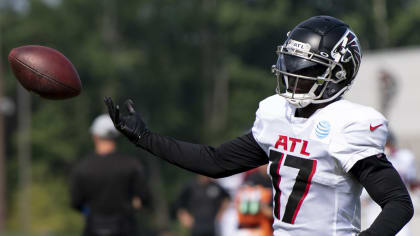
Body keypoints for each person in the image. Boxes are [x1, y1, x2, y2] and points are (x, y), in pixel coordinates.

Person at [103, 15, 414, 236]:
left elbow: (398, 203)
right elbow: (215, 162)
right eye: (291, 65)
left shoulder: (349, 123)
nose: (292, 75)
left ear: (337, 74)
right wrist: (144, 137)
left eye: (304, 70)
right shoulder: (277, 113)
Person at [70, 114, 149, 236]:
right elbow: (143, 198)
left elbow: (76, 202)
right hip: (126, 228)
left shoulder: (83, 168)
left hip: (94, 228)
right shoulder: (132, 165)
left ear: (95, 136)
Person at [362, 132, 418, 236]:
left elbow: (413, 183)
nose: (387, 146)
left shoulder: (404, 157)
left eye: (388, 143)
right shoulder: (367, 159)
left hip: (399, 206)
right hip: (375, 208)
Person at [235, 165, 273, 236]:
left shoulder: (274, 181)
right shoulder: (251, 178)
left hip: (264, 226)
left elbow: (270, 213)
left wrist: (263, 207)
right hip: (246, 225)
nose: (264, 167)